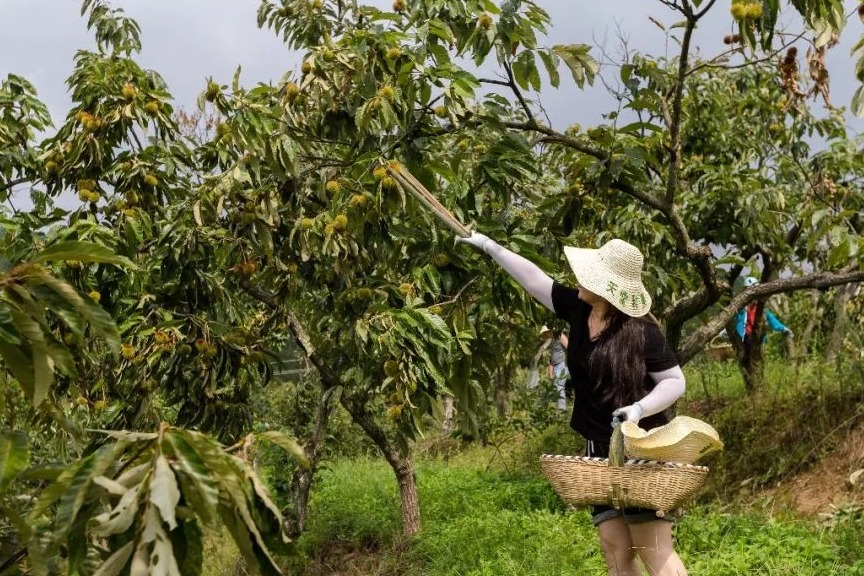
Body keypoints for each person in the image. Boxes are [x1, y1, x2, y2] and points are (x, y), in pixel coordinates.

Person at [457, 232, 688, 576]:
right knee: (616, 550)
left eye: (589, 277)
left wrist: (639, 409)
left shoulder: (641, 331)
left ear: (607, 289)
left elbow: (674, 381)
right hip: (599, 449)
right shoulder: (581, 310)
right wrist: (491, 246)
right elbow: (535, 281)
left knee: (653, 548)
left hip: (641, 448)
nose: (579, 279)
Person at [733, 276, 794, 341]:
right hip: (742, 339)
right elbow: (734, 320)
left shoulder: (760, 308)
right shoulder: (741, 308)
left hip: (757, 340)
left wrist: (783, 328)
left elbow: (771, 319)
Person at [538, 325, 569, 410]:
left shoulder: (560, 336)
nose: (544, 335)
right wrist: (550, 372)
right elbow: (552, 358)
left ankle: (562, 409)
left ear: (549, 331)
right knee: (555, 386)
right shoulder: (551, 341)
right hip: (556, 366)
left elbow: (570, 348)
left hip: (563, 364)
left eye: (545, 333)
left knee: (559, 385)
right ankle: (558, 409)